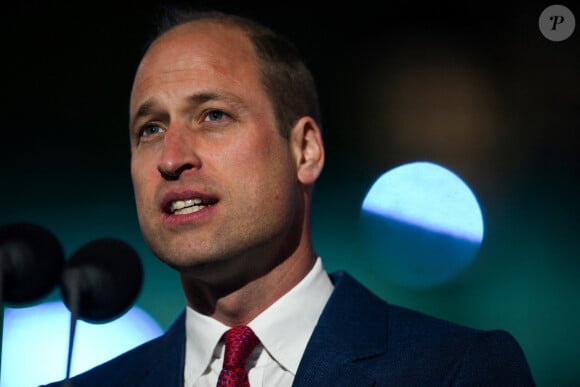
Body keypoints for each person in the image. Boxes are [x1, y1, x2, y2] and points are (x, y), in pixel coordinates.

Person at [44, 7, 535, 387]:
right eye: (150, 128)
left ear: (305, 150)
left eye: (213, 115)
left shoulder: (453, 370)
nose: (171, 158)